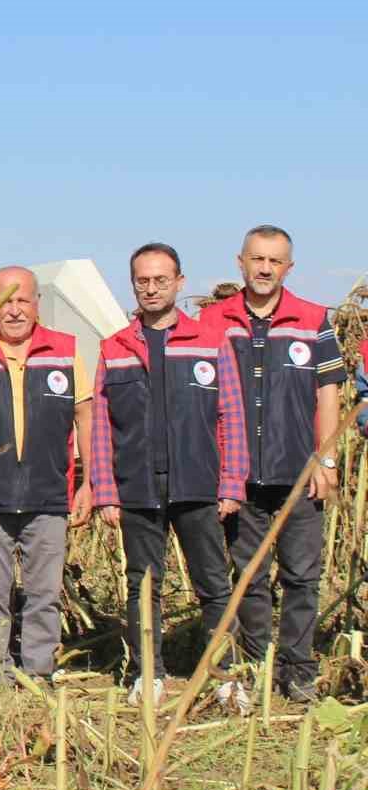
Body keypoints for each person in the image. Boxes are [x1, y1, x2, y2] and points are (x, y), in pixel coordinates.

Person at [92, 243, 249, 711]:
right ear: (133, 283)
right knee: (144, 586)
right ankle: (149, 673)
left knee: (214, 584)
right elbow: (101, 425)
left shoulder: (209, 342)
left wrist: (232, 482)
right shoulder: (114, 348)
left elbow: (231, 414)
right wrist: (106, 490)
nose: (152, 288)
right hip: (137, 486)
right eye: (143, 280)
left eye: (161, 280)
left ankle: (226, 675)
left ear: (179, 283)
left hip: (198, 484)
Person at [202, 225, 346, 702]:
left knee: (303, 577)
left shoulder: (312, 319)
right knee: (250, 577)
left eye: (275, 261)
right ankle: (258, 666)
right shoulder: (213, 321)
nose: (265, 269)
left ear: (289, 267)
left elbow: (328, 394)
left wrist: (325, 459)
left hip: (298, 473)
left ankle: (298, 670)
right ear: (240, 262)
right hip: (239, 477)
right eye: (257, 259)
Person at [0, 266, 93, 686]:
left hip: (48, 494)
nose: (13, 310)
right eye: (4, 301)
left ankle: (38, 675)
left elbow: (85, 415)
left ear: (37, 304)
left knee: (44, 595)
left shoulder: (64, 351)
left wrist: (89, 482)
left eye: (22, 300)